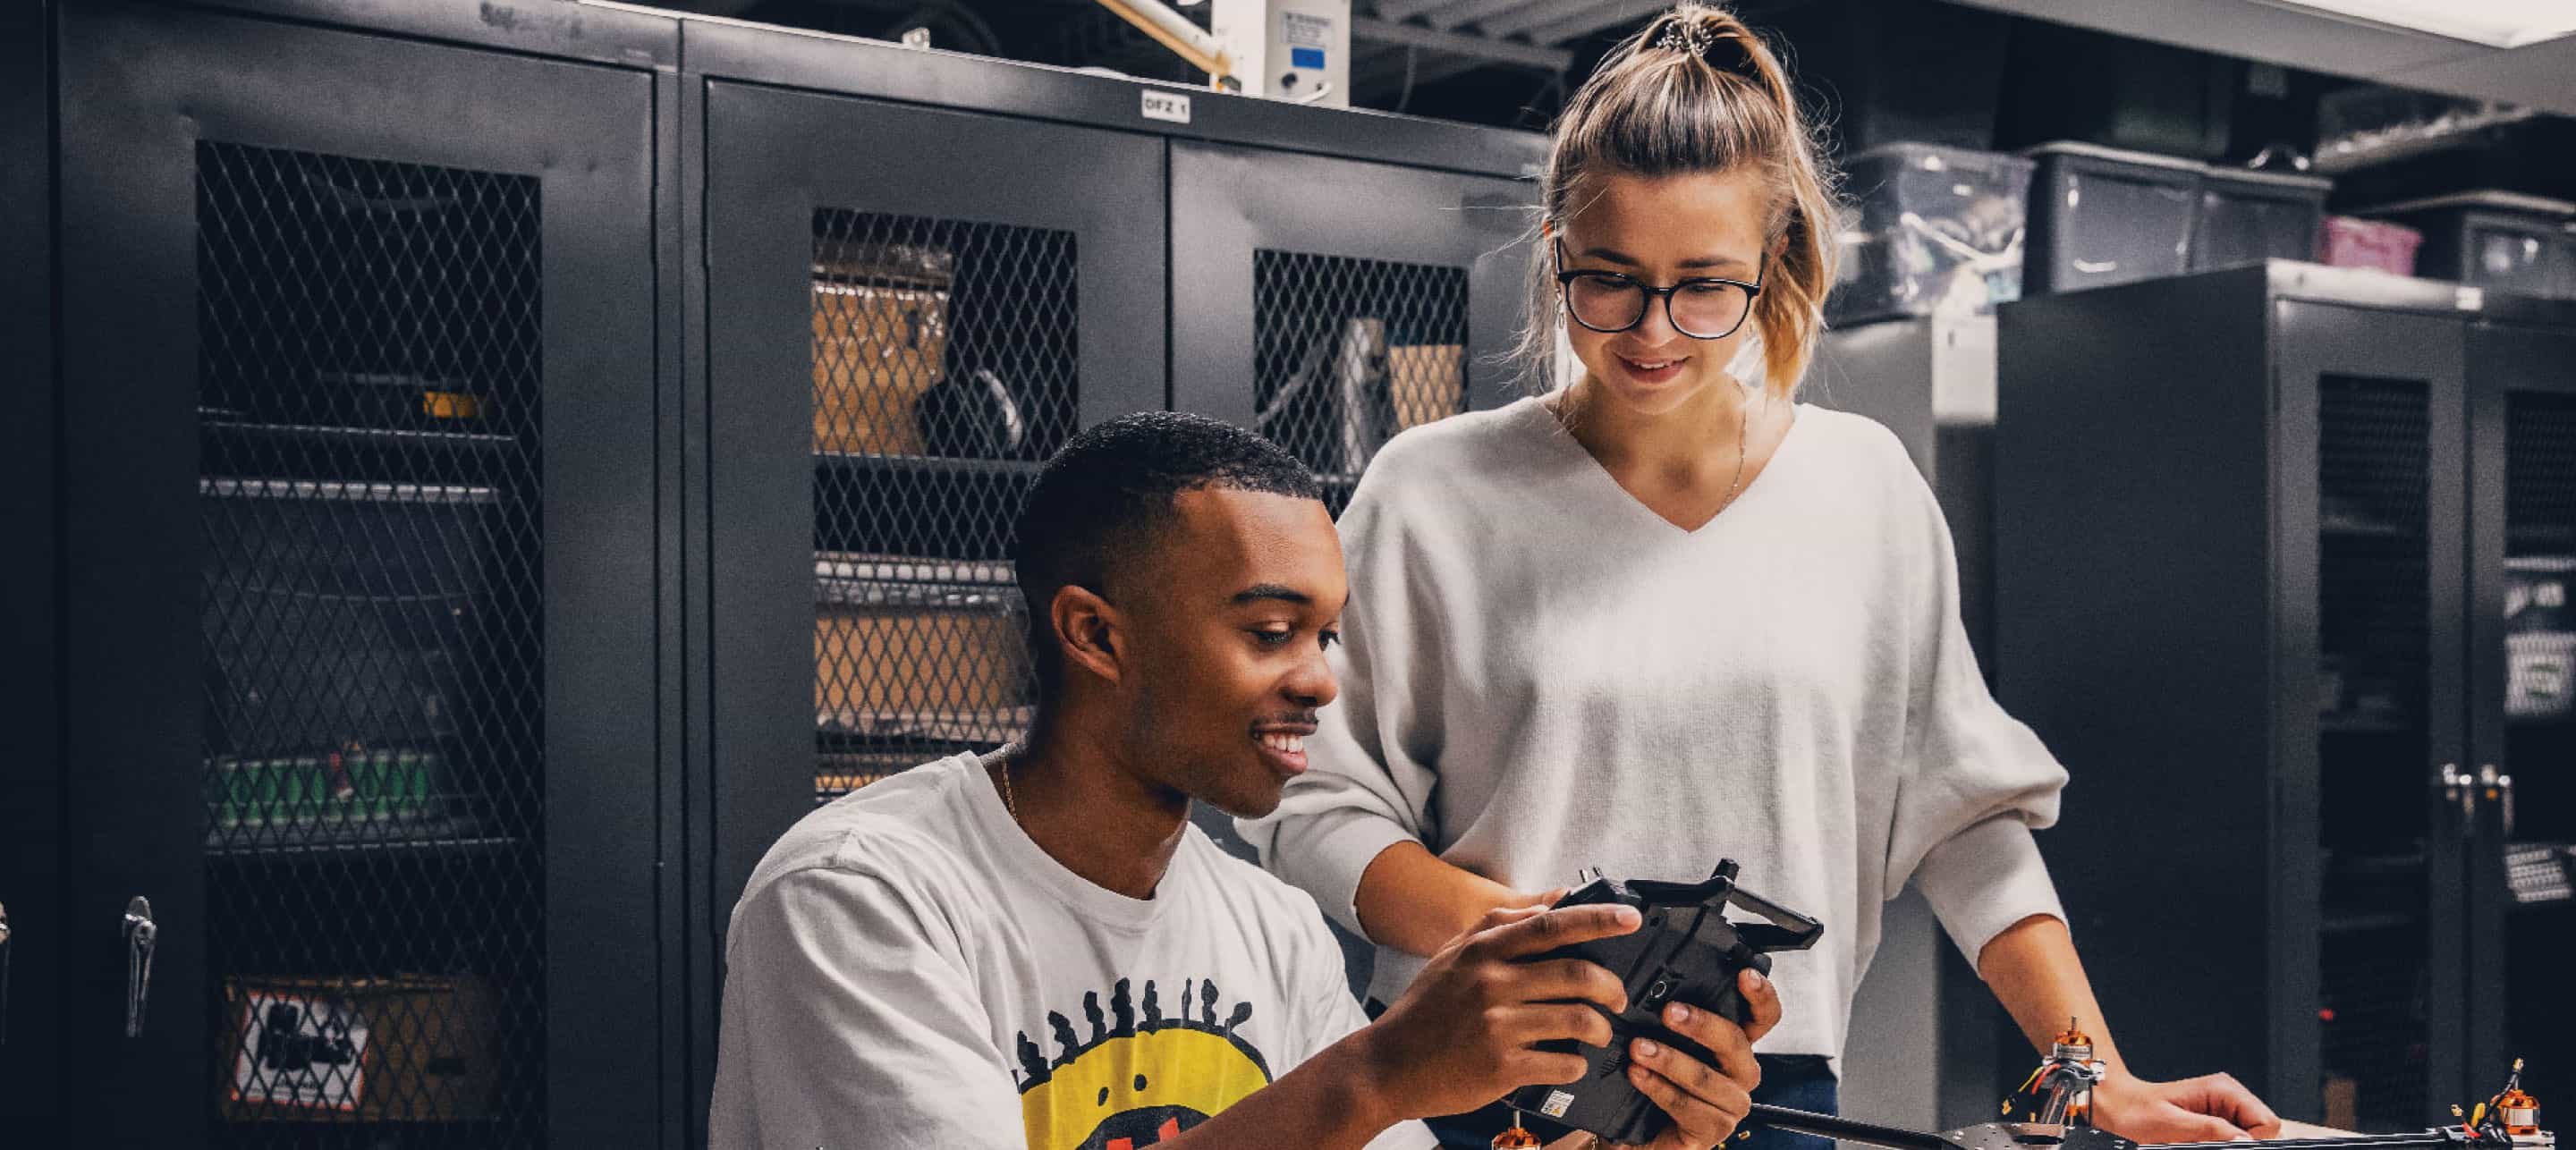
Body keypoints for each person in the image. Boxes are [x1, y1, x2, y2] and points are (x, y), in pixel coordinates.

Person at [1236, 6, 2287, 1149]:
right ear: (1554, 250)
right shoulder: (1435, 488)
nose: (1653, 330)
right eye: (1610, 280)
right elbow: (1319, 798)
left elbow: (1963, 819)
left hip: (1763, 1091)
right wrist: (1527, 938)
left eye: (1703, 285)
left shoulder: (1863, 488)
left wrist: (2096, 1076)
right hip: (1484, 1073)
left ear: (1773, 262)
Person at [708, 411, 1778, 1150]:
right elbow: (1356, 1096)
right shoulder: (860, 894)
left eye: (1325, 634)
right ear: (1094, 633)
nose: (1317, 679)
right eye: (1270, 630)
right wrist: (1379, 1069)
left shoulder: (1268, 924)